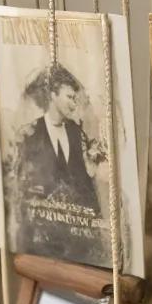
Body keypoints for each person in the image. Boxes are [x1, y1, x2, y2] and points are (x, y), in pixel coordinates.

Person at [12, 63, 100, 218]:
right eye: (70, 97)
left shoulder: (77, 132)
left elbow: (87, 187)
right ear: (53, 95)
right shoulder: (29, 134)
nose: (74, 104)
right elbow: (21, 190)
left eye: (76, 99)